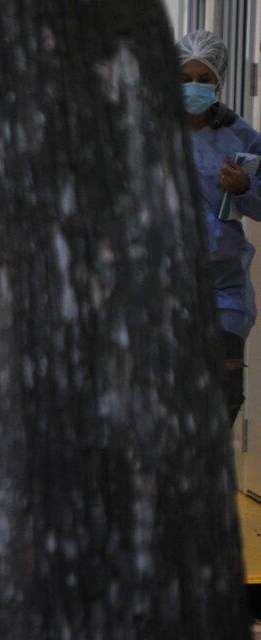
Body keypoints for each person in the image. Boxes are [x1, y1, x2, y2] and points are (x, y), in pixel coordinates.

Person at [178, 30, 261, 426]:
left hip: (223, 285)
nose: (193, 86)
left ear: (219, 82)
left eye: (204, 78)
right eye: (184, 77)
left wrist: (243, 187)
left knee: (225, 395)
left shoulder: (241, 136)